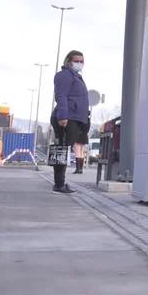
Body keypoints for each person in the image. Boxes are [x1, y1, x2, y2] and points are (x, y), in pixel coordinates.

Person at [51, 50, 90, 193]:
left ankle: (60, 183)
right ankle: (59, 184)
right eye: (77, 60)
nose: (79, 63)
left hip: (73, 118)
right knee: (61, 150)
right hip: (66, 119)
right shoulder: (65, 76)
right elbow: (61, 96)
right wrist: (62, 116)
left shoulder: (76, 76)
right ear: (68, 61)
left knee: (64, 150)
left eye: (82, 61)